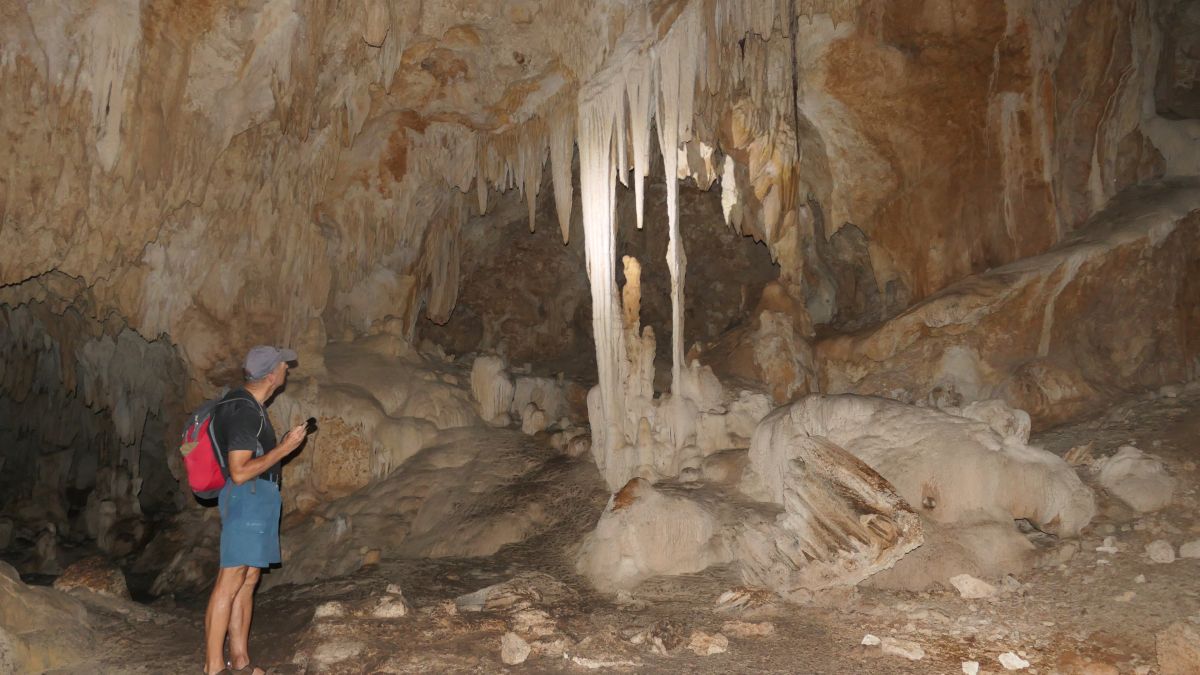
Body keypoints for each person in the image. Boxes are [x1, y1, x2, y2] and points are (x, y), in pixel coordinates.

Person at [203, 345, 308, 675]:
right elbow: (239, 470)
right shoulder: (243, 410)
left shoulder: (249, 406)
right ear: (272, 373)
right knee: (230, 578)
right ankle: (214, 666)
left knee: (248, 579)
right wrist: (285, 448)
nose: (287, 370)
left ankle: (240, 659)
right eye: (283, 366)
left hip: (257, 496)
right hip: (247, 494)